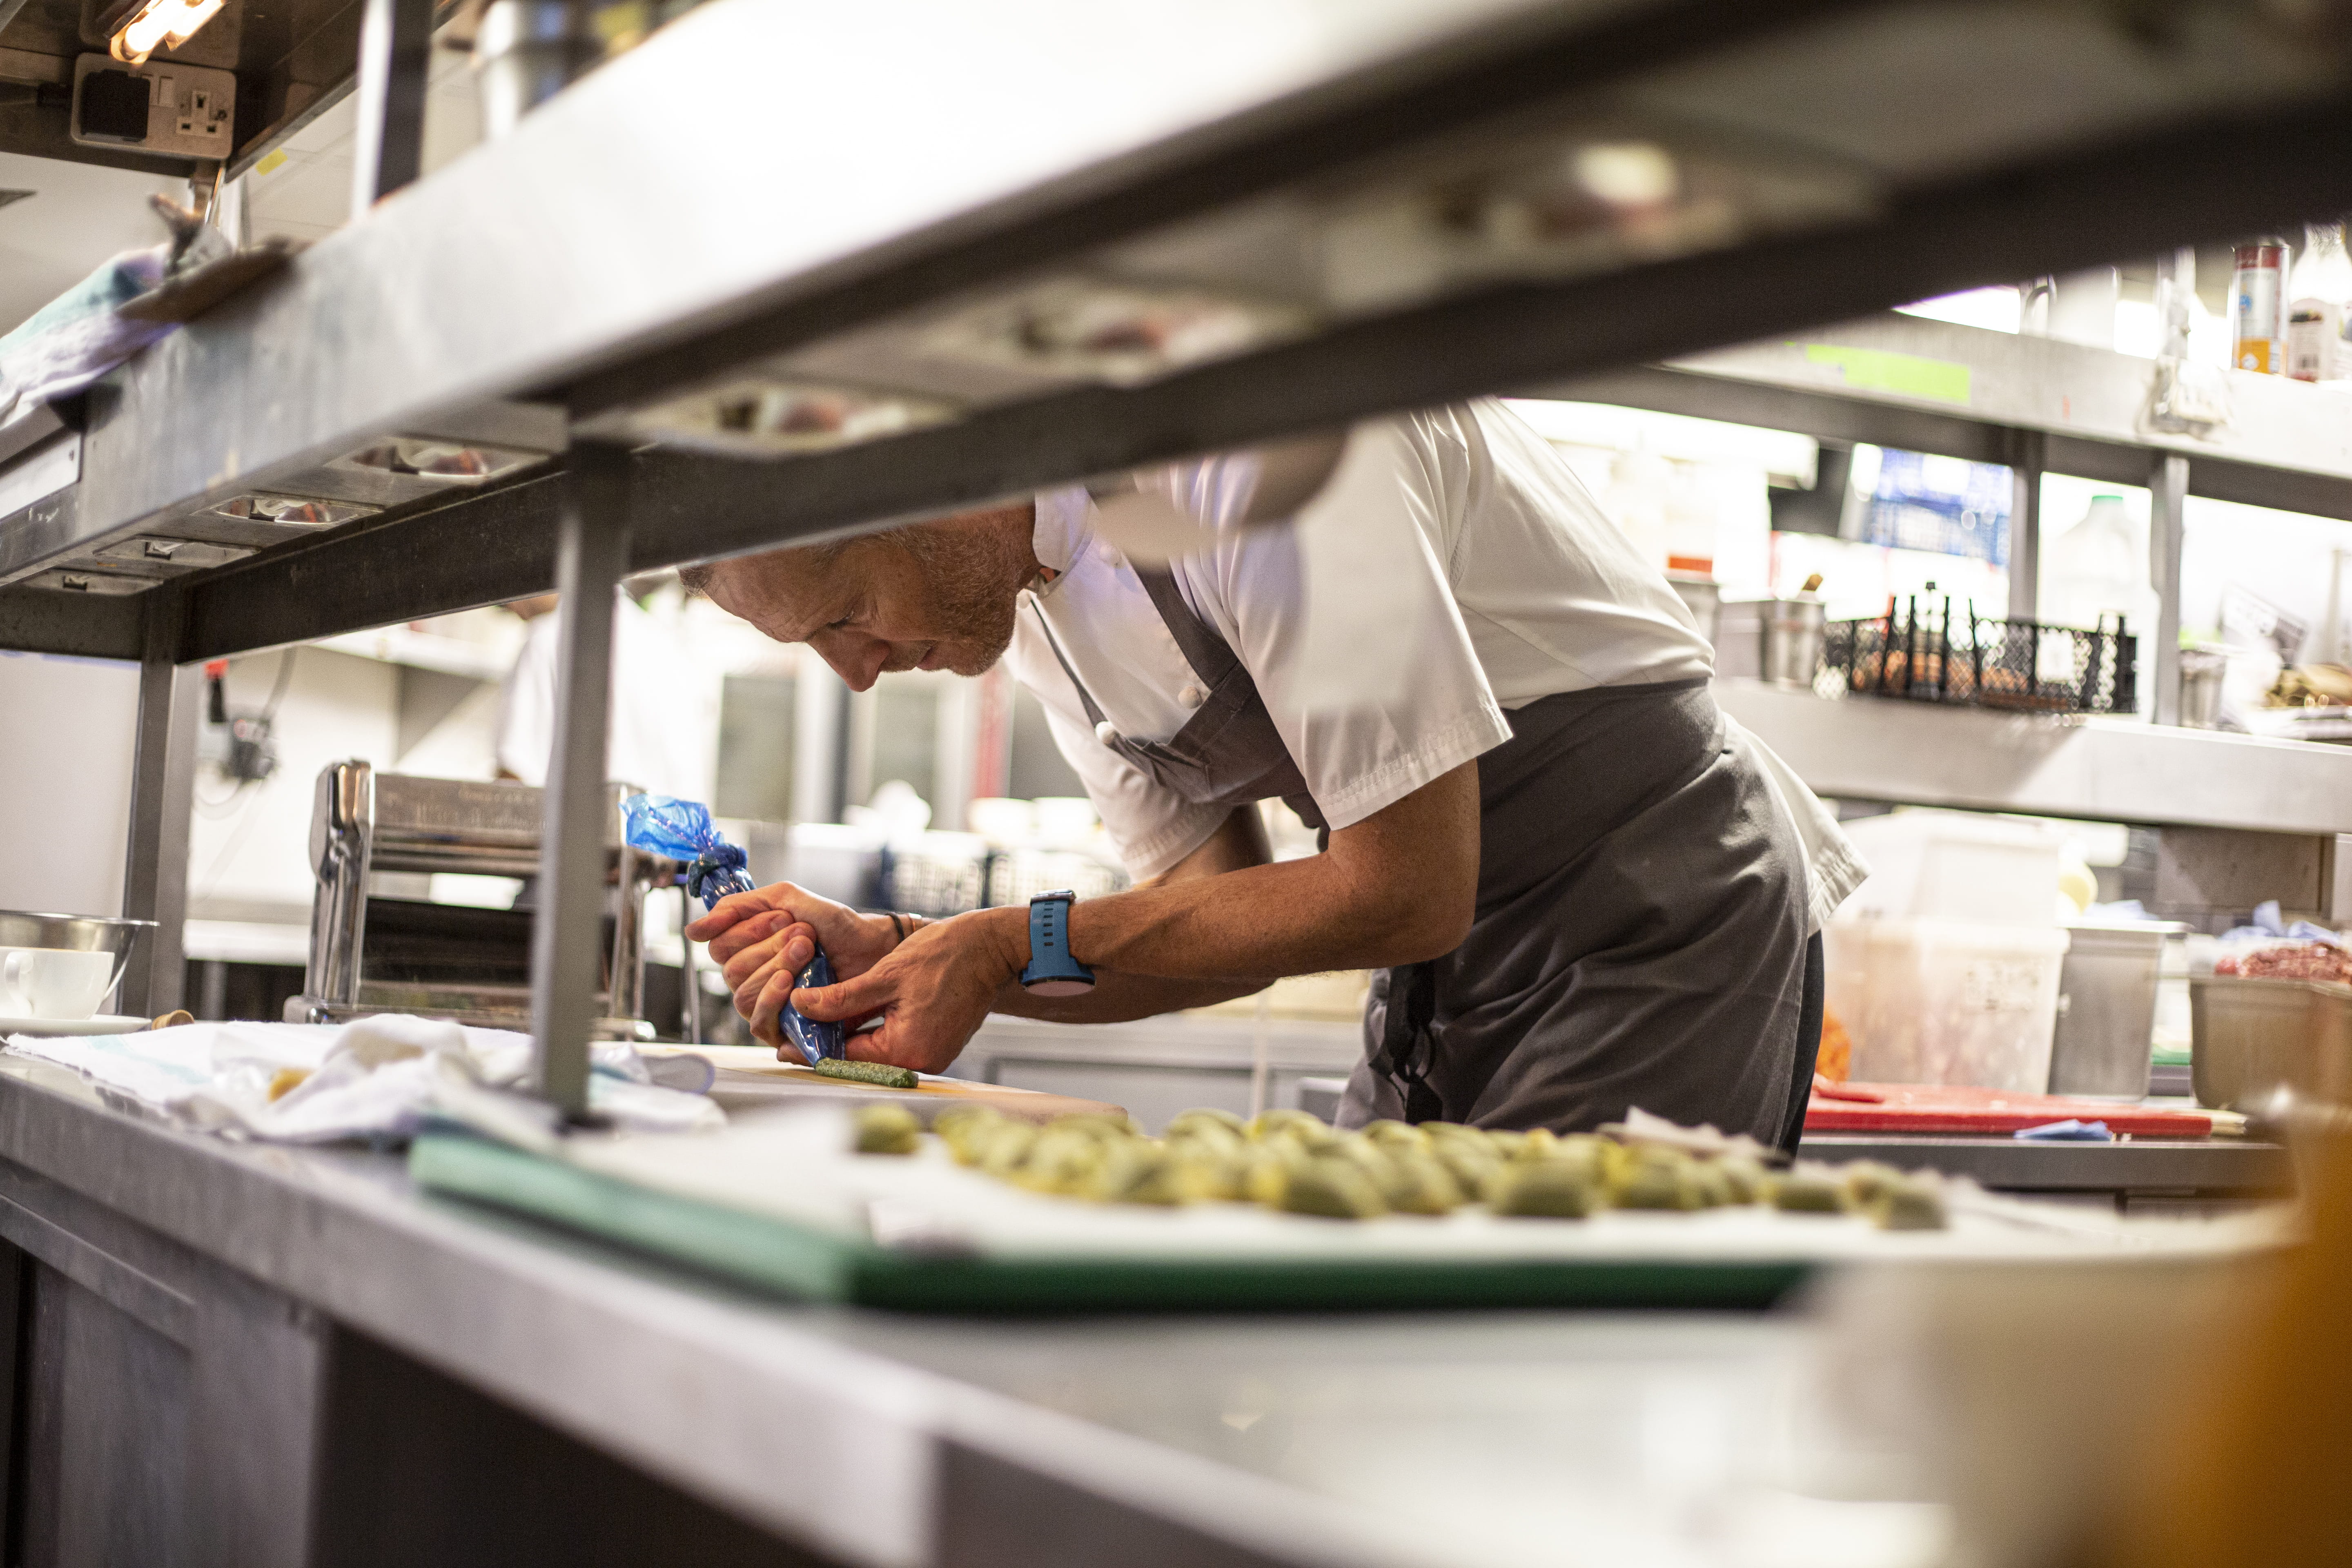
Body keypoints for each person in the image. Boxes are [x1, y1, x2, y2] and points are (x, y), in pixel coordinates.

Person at [680, 400, 1863, 1145]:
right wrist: (918, 954)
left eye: (846, 615)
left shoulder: (1258, 451)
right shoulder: (1032, 611)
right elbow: (1203, 927)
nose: (857, 676)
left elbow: (1407, 885)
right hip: (1445, 963)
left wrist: (997, 945)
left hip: (1651, 912)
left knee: (1537, 1365)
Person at [494, 581, 719, 803]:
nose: (515, 609)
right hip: (672, 835)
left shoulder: (548, 640)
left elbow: (514, 784)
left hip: (589, 835)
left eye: (505, 601)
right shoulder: (668, 647)